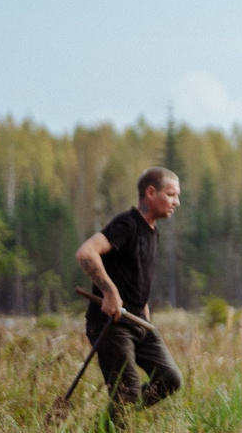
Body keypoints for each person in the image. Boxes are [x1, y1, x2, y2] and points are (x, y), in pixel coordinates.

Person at [73, 166, 186, 415]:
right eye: (170, 195)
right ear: (150, 192)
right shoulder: (127, 224)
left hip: (137, 321)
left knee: (170, 378)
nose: (176, 202)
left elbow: (135, 278)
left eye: (177, 196)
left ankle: (119, 421)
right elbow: (86, 252)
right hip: (110, 324)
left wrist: (144, 311)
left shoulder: (152, 231)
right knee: (127, 393)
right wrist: (110, 293)